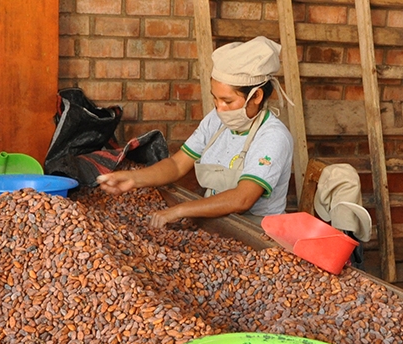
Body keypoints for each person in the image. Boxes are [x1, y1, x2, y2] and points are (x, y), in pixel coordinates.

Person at [98, 36, 294, 227]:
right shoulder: (215, 121)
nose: (219, 108)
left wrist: (180, 210)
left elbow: (242, 198)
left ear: (256, 96)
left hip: (257, 229)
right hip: (218, 223)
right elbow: (176, 164)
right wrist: (133, 179)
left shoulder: (272, 137)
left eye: (227, 101)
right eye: (215, 99)